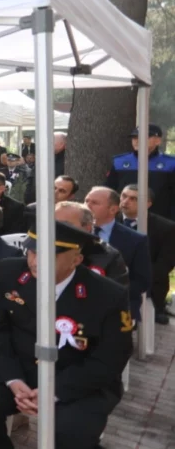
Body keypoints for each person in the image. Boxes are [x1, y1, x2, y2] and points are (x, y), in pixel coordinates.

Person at [0, 221, 132, 449]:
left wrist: (54, 391)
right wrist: (12, 379)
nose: (35, 260)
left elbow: (111, 358)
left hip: (76, 378)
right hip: (19, 368)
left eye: (48, 255)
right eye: (32, 251)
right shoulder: (8, 271)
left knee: (70, 435)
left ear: (76, 259)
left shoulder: (107, 294)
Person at [86, 187, 151, 322]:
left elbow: (141, 281)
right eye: (86, 201)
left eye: (95, 203)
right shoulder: (74, 232)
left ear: (113, 210)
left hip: (117, 308)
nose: (87, 206)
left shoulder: (135, 240)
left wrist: (110, 292)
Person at [119, 184, 175, 323]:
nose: (126, 201)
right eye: (124, 196)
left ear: (148, 203)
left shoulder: (165, 228)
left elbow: (164, 265)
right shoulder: (108, 220)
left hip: (148, 288)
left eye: (133, 199)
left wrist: (134, 283)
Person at [105, 123, 175, 220]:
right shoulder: (120, 162)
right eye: (134, 137)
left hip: (160, 220)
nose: (137, 141)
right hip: (124, 220)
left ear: (158, 141)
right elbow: (109, 191)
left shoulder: (171, 164)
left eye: (144, 137)